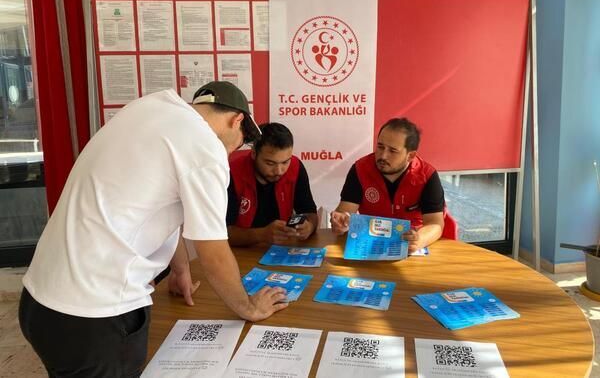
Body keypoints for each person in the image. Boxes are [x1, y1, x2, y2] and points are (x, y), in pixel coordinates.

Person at [19, 82, 288, 378]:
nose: (234, 150)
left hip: (40, 303)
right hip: (94, 317)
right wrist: (249, 308)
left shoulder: (148, 108)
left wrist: (181, 268)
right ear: (236, 120)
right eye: (241, 141)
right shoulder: (205, 146)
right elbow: (213, 252)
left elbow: (158, 207)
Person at [330, 117, 456, 253]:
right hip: (371, 242)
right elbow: (345, 211)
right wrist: (341, 223)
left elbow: (435, 223)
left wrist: (419, 240)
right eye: (380, 147)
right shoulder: (360, 169)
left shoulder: (427, 176)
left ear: (410, 156)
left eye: (392, 151)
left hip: (411, 244)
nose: (383, 156)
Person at [226, 122, 318, 247]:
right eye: (270, 163)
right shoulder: (231, 173)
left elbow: (310, 213)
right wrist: (261, 234)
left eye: (285, 162)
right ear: (254, 153)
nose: (279, 171)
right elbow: (223, 234)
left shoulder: (295, 167)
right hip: (240, 252)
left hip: (280, 250)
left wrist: (309, 227)